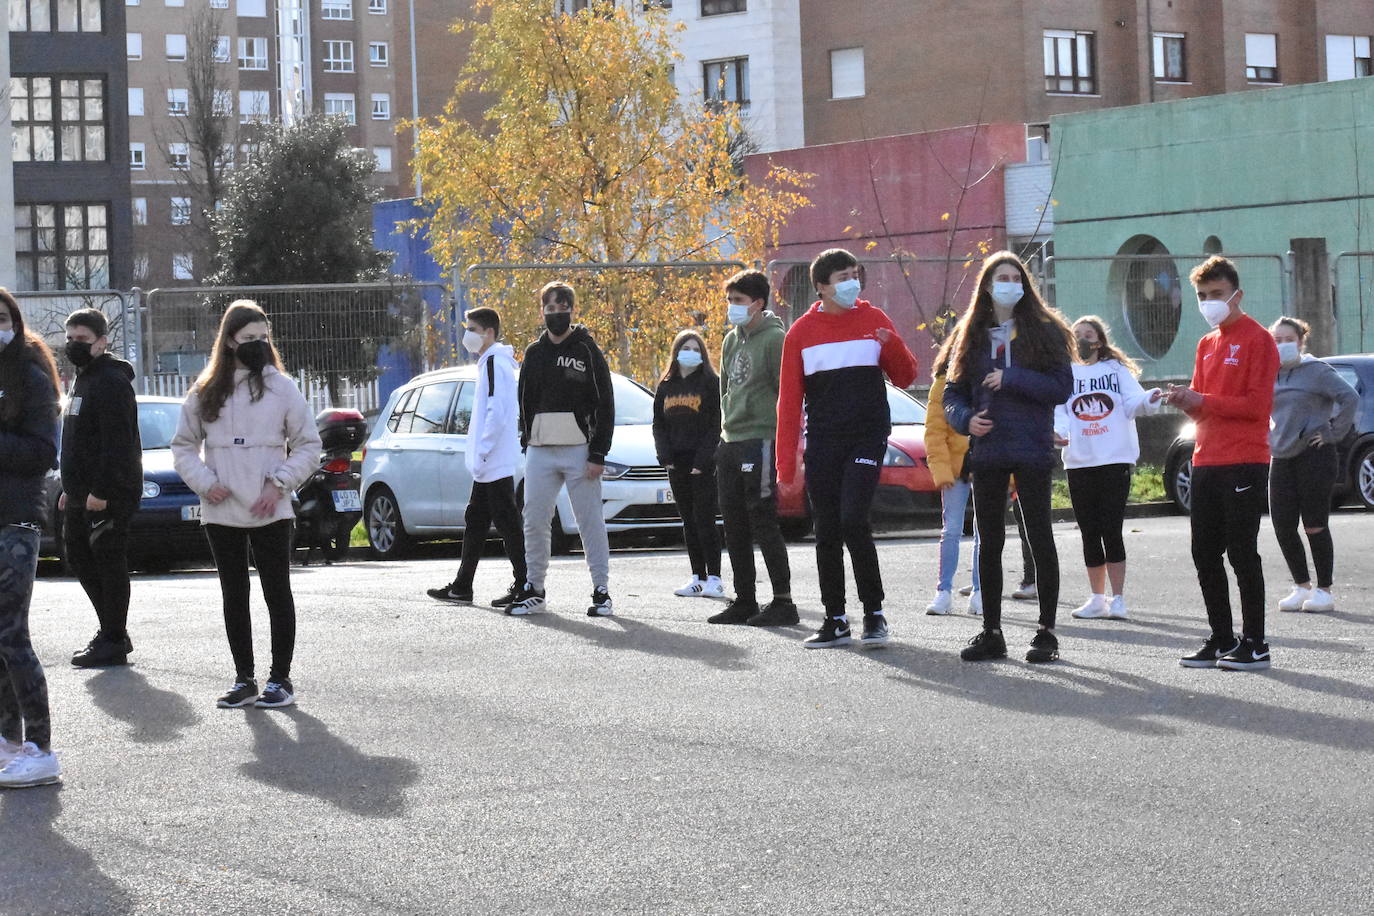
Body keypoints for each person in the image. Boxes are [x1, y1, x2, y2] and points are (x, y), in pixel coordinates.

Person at [171, 301, 322, 708]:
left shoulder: (283, 388)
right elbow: (184, 447)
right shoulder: (205, 389)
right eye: (248, 338)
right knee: (233, 593)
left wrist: (279, 485)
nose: (256, 345)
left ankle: (281, 679)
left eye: (263, 338)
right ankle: (244, 678)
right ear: (230, 341)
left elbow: (309, 445)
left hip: (271, 508)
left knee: (277, 592)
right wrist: (207, 483)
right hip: (221, 509)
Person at [777, 249, 919, 649]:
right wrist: (785, 464)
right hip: (824, 442)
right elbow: (788, 402)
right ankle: (835, 619)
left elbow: (907, 375)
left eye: (854, 275)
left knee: (854, 518)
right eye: (842, 277)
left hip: (867, 437)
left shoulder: (874, 319)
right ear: (821, 286)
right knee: (827, 530)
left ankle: (874, 614)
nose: (851, 282)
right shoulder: (800, 334)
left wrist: (891, 345)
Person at [944, 251, 1074, 664]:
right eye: (1001, 277)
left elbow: (1061, 387)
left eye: (1016, 277)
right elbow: (952, 393)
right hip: (989, 450)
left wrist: (1012, 377)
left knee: (1039, 536)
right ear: (987, 284)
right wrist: (966, 420)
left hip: (1032, 447)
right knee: (990, 541)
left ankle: (1046, 632)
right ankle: (992, 631)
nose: (1010, 284)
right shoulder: (970, 333)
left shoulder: (1046, 330)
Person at [1165, 256, 1280, 671]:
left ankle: (1256, 642)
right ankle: (1221, 636)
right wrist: (1185, 401)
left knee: (1242, 552)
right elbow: (1202, 410)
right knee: (1204, 552)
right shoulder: (1206, 344)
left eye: (1216, 294)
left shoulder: (1258, 339)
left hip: (1244, 459)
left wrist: (1204, 402)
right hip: (1206, 458)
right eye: (1202, 296)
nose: (1209, 302)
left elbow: (1256, 406)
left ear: (1236, 295)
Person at [507, 282, 616, 617]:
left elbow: (605, 402)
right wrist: (527, 438)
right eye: (549, 309)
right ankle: (534, 589)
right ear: (542, 312)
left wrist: (598, 453)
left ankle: (601, 590)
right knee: (534, 519)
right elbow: (523, 399)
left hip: (578, 450)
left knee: (589, 520)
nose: (556, 314)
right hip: (540, 449)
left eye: (561, 308)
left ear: (571, 310)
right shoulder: (535, 353)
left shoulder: (586, 350)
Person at [1054, 315, 1162, 620]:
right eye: (1076, 336)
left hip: (1114, 459)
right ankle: (1096, 597)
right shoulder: (1065, 373)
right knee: (1089, 531)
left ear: (1099, 341)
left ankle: (1118, 598)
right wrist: (1059, 433)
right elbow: (1060, 411)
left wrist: (1150, 398)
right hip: (1079, 461)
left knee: (1111, 530)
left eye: (1087, 335)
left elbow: (1133, 402)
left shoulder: (1115, 371)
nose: (1082, 341)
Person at [0, 291, 63, 788]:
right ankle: (8, 740)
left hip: (15, 522)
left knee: (11, 634)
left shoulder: (31, 378)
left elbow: (42, 451)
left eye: (1, 319)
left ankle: (41, 748)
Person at [711, 270, 796, 626]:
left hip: (760, 438)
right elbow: (726, 388)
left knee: (762, 517)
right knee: (733, 523)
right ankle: (744, 598)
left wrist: (783, 439)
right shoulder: (731, 340)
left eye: (739, 302)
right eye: (730, 301)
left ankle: (783, 601)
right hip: (731, 439)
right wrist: (724, 428)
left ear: (758, 303)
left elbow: (786, 391)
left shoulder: (776, 339)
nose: (732, 308)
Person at [59, 308, 142, 669]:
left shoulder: (109, 380)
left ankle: (113, 637)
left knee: (108, 560)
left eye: (83, 340)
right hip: (81, 492)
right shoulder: (84, 378)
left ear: (102, 342)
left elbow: (117, 442)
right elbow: (80, 439)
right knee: (78, 555)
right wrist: (70, 488)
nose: (75, 346)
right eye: (70, 339)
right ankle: (112, 630)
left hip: (107, 493)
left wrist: (102, 490)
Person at [426, 307, 526, 608]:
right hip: (489, 463)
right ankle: (462, 585)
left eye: (472, 328)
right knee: (477, 520)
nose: (467, 334)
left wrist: (483, 450)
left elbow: (497, 410)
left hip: (493, 460)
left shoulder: (495, 362)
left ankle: (526, 582)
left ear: (489, 333)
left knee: (507, 522)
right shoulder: (490, 363)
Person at [1267, 316, 1357, 614]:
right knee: (1282, 525)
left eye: (1288, 340)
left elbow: (1349, 397)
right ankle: (1301, 585)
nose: (1282, 345)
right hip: (1280, 455)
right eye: (1276, 340)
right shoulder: (1270, 373)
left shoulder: (1316, 370)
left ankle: (1324, 590)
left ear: (1301, 342)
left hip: (1314, 456)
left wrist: (1332, 431)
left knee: (1314, 524)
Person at [653, 330, 724, 599]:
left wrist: (703, 461)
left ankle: (715, 578)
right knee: (688, 521)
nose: (691, 353)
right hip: (677, 462)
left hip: (701, 463)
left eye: (697, 349)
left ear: (703, 354)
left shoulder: (709, 382)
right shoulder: (667, 385)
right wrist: (666, 458)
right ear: (676, 352)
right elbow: (658, 424)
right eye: (686, 348)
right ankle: (697, 576)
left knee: (705, 519)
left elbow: (714, 425)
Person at [923, 336, 982, 616]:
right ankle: (943, 592)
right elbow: (934, 433)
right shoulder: (942, 384)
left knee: (985, 534)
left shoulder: (989, 381)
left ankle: (980, 592)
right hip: (957, 472)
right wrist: (942, 471)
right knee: (951, 531)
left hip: (986, 467)